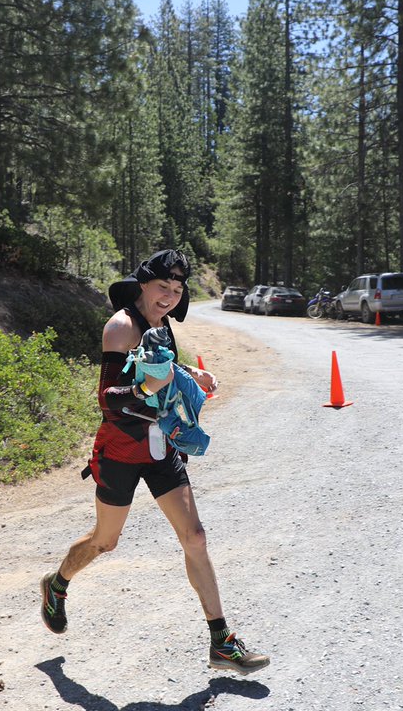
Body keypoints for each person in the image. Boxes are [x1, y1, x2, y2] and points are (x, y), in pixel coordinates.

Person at [39, 249, 270, 675]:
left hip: (161, 449)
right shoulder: (121, 326)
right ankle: (57, 584)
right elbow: (107, 400)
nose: (169, 295)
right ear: (143, 283)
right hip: (120, 452)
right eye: (162, 286)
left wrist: (188, 375)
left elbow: (156, 365)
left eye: (177, 289)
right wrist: (148, 393)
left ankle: (222, 643)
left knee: (195, 537)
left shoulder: (162, 326)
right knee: (105, 542)